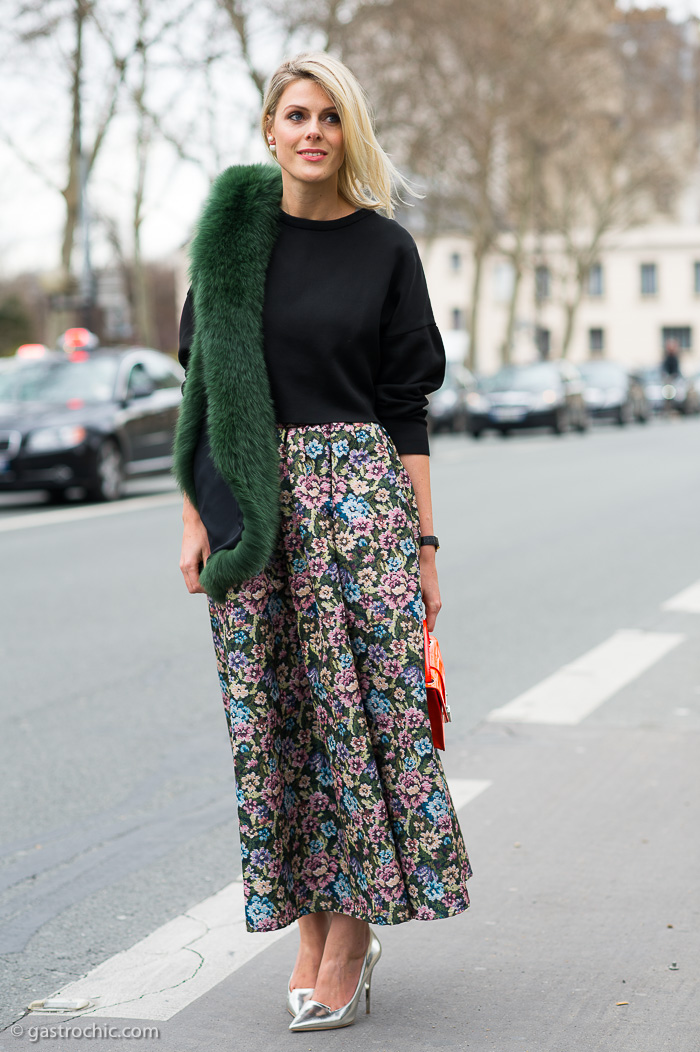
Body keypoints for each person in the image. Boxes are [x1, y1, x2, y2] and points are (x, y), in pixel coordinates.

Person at [175, 52, 472, 1033]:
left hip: (360, 507)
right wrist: (193, 516)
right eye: (295, 114)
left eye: (330, 118)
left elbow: (405, 406)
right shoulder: (228, 248)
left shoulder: (385, 249)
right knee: (279, 733)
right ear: (267, 130)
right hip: (252, 509)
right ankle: (310, 923)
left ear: (349, 135)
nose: (312, 131)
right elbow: (203, 394)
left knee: (358, 730)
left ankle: (345, 939)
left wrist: (424, 547)